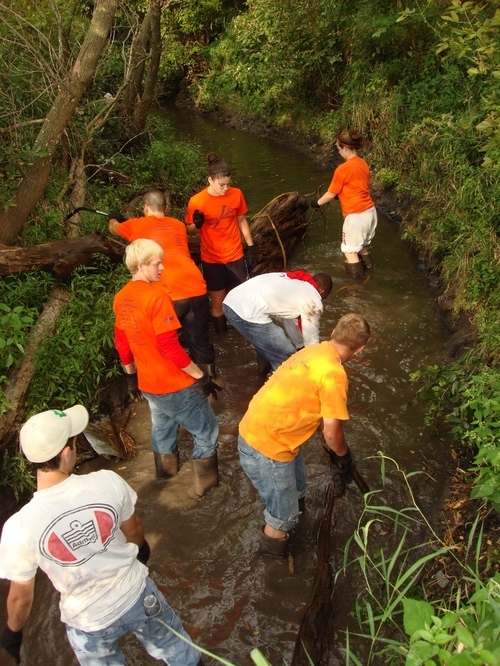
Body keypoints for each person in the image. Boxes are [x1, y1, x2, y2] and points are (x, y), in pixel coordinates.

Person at [0, 405, 202, 666]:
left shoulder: (19, 527)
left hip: (87, 622)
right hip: (137, 595)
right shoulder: (106, 481)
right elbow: (135, 530)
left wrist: (12, 637)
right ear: (66, 452)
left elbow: (20, 597)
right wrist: (141, 552)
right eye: (74, 442)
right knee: (175, 648)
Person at [237, 313, 370, 557]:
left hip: (257, 428)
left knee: (299, 490)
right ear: (359, 349)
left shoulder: (315, 351)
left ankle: (293, 520)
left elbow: (315, 406)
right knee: (282, 519)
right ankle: (273, 567)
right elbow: (331, 432)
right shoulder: (333, 374)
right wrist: (344, 457)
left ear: (333, 334)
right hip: (267, 447)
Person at [113, 238, 221, 495]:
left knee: (163, 428)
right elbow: (169, 347)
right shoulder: (157, 296)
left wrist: (131, 377)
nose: (162, 268)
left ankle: (166, 475)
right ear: (140, 265)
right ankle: (206, 489)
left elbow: (122, 343)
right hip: (174, 384)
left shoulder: (121, 298)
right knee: (206, 430)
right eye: (156, 263)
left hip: (148, 384)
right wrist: (200, 377)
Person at [109, 189, 216, 378]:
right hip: (196, 286)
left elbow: (114, 228)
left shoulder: (134, 225)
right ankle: (210, 380)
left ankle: (171, 380)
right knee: (200, 339)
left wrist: (114, 218)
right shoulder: (177, 224)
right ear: (166, 208)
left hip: (168, 293)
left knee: (164, 341)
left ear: (145, 208)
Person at [185, 152, 258, 334]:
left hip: (235, 256)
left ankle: (245, 336)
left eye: (228, 184)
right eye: (221, 185)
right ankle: (223, 336)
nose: (225, 189)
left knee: (242, 299)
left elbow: (241, 220)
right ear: (210, 180)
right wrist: (197, 224)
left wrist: (251, 246)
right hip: (212, 260)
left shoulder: (236, 194)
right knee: (217, 303)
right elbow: (190, 230)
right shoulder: (198, 201)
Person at [222, 270, 333, 376]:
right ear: (322, 291)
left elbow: (290, 319)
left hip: (231, 302)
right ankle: (285, 389)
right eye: (324, 297)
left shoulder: (297, 284)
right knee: (287, 355)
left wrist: (300, 346)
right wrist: (314, 367)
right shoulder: (313, 300)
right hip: (244, 312)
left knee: (267, 347)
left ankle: (262, 378)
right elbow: (311, 341)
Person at [312, 131, 377, 279]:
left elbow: (330, 193)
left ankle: (356, 288)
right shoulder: (363, 163)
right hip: (370, 212)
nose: (339, 152)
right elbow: (358, 187)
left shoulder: (343, 169)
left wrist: (316, 202)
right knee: (360, 247)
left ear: (345, 148)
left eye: (339, 148)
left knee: (349, 251)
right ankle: (370, 272)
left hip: (356, 216)